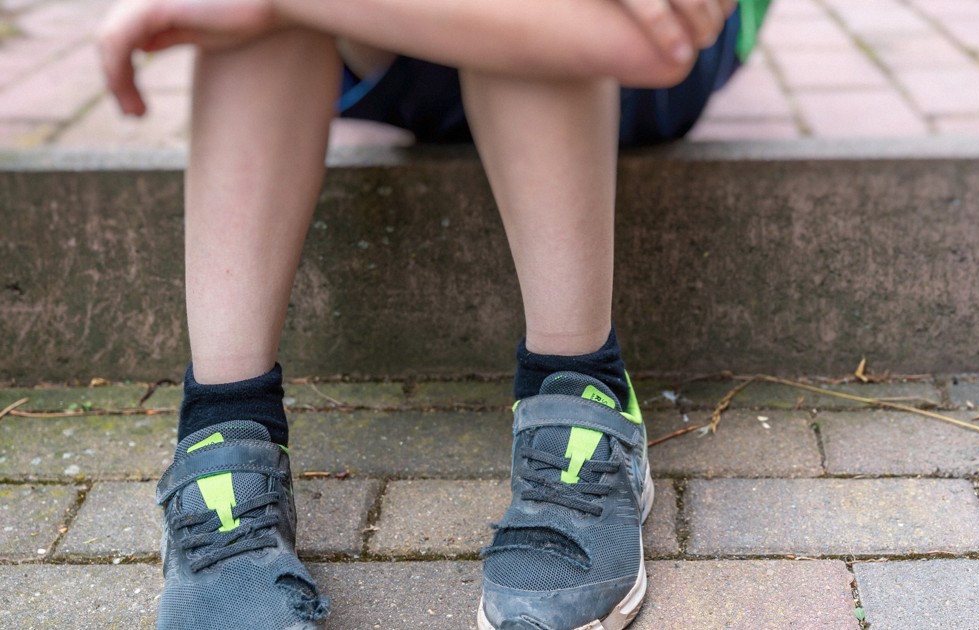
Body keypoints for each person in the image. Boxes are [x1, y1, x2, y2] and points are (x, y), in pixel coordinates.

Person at [95, 0, 769, 627]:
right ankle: (223, 435)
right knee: (253, 23)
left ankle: (581, 384)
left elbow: (656, 46)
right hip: (403, 25)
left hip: (617, 61)